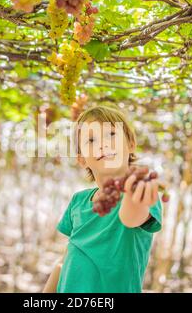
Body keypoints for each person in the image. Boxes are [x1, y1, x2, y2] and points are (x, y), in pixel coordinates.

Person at [43, 105, 163, 293]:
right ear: (82, 159)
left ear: (131, 144)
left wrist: (135, 191)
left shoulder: (141, 195)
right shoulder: (78, 201)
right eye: (91, 140)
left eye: (111, 135)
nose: (103, 144)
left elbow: (131, 218)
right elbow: (68, 257)